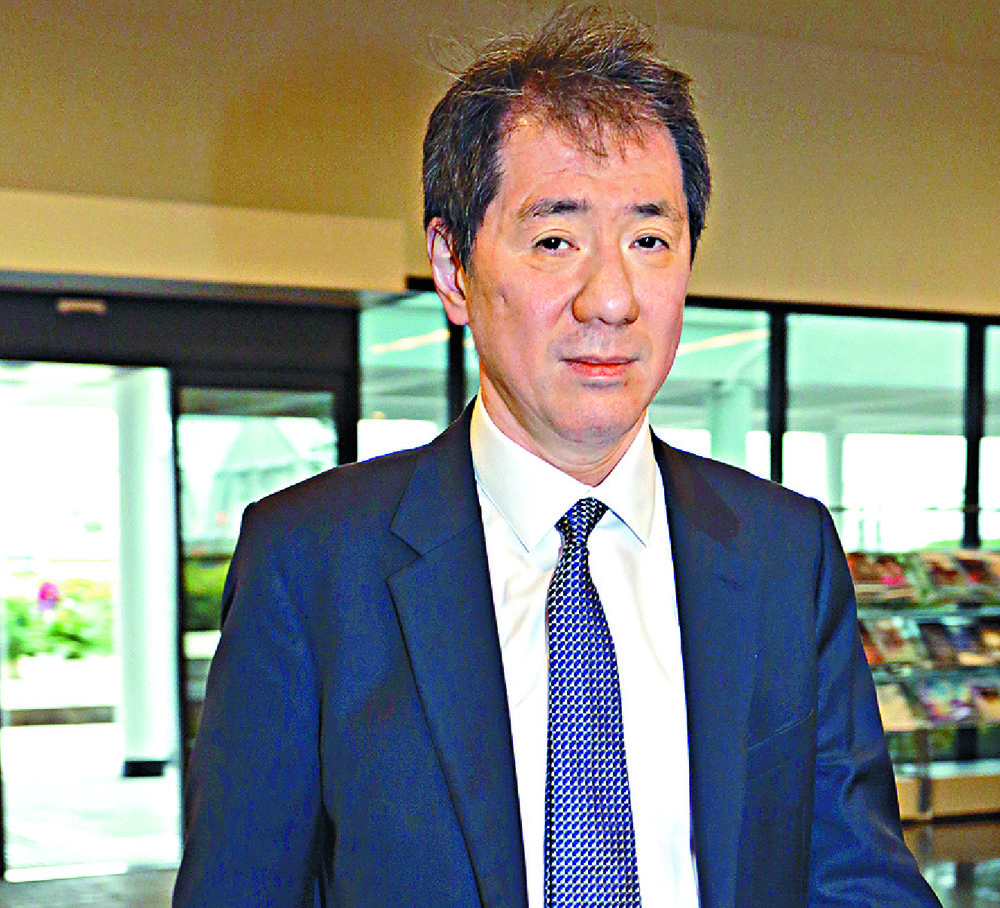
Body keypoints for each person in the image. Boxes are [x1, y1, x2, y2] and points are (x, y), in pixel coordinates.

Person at [173, 7, 942, 907]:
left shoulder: (783, 550)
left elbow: (856, 877)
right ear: (453, 268)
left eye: (649, 241)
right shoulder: (312, 561)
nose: (611, 298)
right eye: (554, 241)